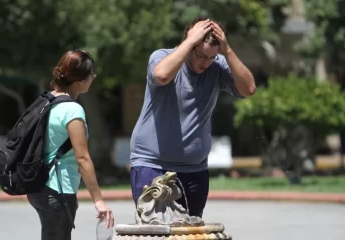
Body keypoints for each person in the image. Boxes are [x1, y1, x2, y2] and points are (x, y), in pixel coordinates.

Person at [129, 17, 256, 217]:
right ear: (189, 44)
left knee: (191, 234)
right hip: (152, 165)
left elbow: (248, 89)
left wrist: (227, 51)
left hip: (195, 170)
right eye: (200, 55)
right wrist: (189, 42)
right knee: (153, 234)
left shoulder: (218, 66)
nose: (205, 62)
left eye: (210, 57)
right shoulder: (162, 57)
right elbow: (162, 75)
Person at [27, 50, 114, 240]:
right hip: (58, 188)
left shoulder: (47, 101)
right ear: (81, 80)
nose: (93, 78)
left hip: (38, 186)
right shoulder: (72, 110)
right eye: (92, 75)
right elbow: (82, 158)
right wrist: (98, 200)